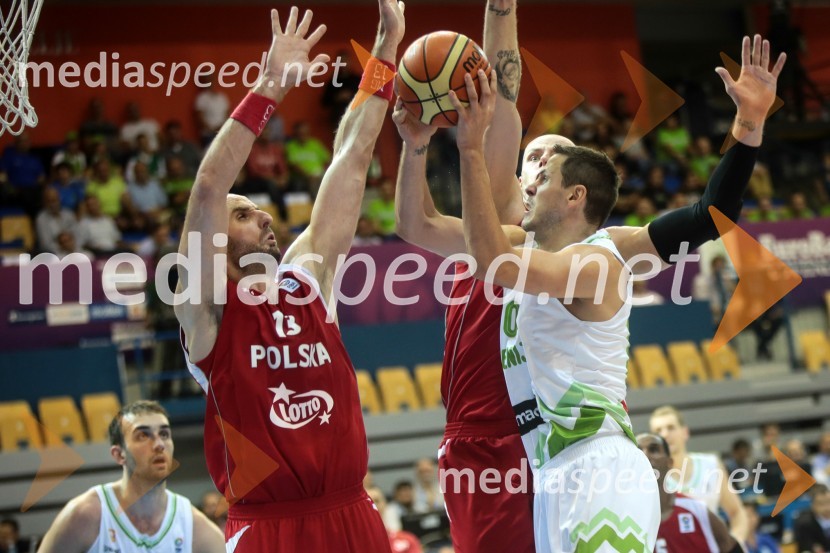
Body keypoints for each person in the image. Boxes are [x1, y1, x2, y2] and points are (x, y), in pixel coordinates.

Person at [394, 28, 785, 553]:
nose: (529, 185)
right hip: (551, 469)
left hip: (598, 464)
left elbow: (706, 218)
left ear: (575, 195)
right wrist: (416, 144)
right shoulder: (523, 241)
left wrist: (748, 123)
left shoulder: (600, 258)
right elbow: (418, 227)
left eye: (545, 173)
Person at [175, 3, 403, 551]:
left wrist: (387, 48)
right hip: (267, 526)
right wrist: (271, 86)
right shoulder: (206, 306)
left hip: (351, 511)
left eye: (261, 209)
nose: (266, 217)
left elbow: (352, 156)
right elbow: (208, 186)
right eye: (245, 214)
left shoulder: (309, 283)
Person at [37, 400, 224, 552]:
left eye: (164, 434)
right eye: (143, 436)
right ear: (119, 455)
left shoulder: (193, 526)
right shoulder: (85, 515)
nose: (159, 444)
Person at [650, 405, 750, 542]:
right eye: (658, 430)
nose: (665, 434)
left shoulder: (711, 465)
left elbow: (737, 512)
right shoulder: (650, 476)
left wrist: (735, 545)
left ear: (685, 432)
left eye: (671, 427)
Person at [637, 433, 742, 553]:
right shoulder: (627, 516)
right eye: (639, 451)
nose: (645, 455)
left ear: (670, 463)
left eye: (654, 450)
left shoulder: (696, 510)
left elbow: (730, 545)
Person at [366, 487, 423, 553]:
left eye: (377, 501)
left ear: (385, 504)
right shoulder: (356, 545)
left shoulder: (408, 540)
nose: (373, 505)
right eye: (368, 502)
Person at [794, 484, 830, 553]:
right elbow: (806, 548)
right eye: (821, 504)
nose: (827, 508)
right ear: (812, 505)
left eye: (829, 502)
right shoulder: (804, 524)